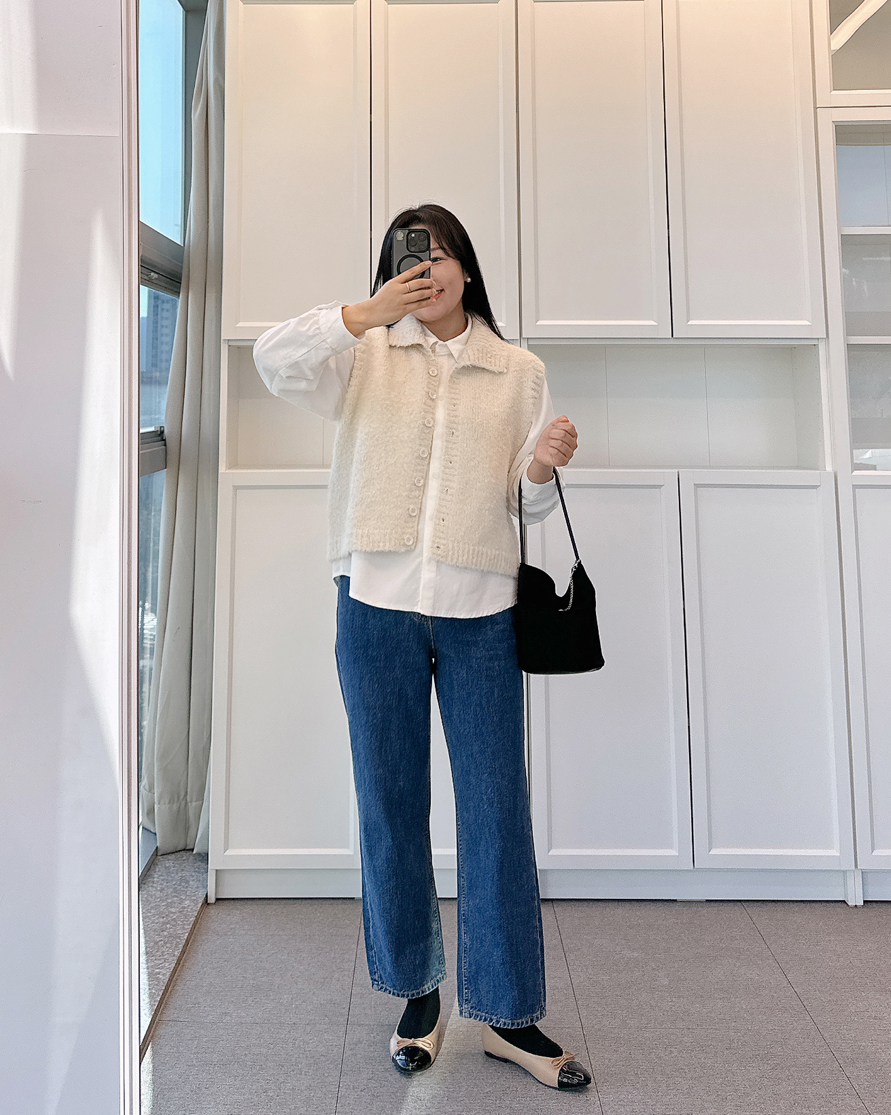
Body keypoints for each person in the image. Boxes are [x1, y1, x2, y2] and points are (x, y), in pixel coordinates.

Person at [252, 204, 591, 1091]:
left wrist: (542, 465)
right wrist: (361, 314)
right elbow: (272, 360)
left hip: (481, 613)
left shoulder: (519, 370)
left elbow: (527, 505)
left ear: (468, 268)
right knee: (389, 804)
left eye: (440, 255)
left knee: (495, 809)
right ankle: (418, 995)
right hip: (376, 606)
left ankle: (510, 1014)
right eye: (411, 257)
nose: (427, 269)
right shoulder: (360, 353)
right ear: (391, 272)